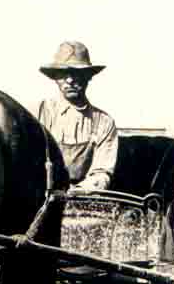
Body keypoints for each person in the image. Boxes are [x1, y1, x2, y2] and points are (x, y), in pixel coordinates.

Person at [38, 40, 118, 192]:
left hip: (84, 199)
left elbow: (102, 173)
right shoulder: (40, 113)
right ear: (55, 78)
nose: (69, 80)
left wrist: (80, 191)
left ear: (88, 76)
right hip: (42, 197)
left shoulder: (103, 122)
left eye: (76, 73)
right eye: (63, 74)